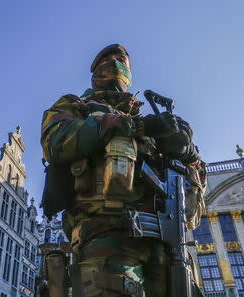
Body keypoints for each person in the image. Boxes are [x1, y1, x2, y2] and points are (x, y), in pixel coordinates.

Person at [40, 44, 206, 297]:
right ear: (94, 72)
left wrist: (190, 158)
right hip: (105, 236)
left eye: (121, 60)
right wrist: (135, 125)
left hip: (168, 247)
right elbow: (56, 140)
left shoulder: (156, 128)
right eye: (106, 60)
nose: (115, 63)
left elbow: (193, 212)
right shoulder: (77, 106)